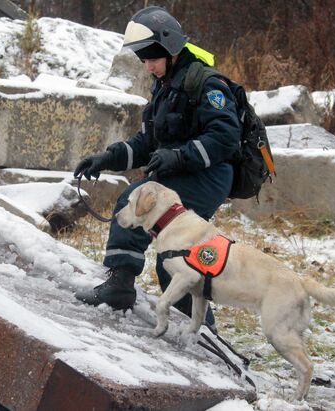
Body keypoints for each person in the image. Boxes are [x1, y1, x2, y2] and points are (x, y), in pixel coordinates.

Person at [73, 6, 241, 329]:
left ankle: (120, 285)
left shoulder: (206, 84)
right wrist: (107, 158)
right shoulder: (165, 87)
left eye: (152, 58)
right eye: (143, 59)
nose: (148, 66)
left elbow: (226, 137)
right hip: (182, 174)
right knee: (172, 259)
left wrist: (180, 157)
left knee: (133, 201)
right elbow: (147, 144)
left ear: (171, 48)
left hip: (209, 176)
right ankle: (203, 328)